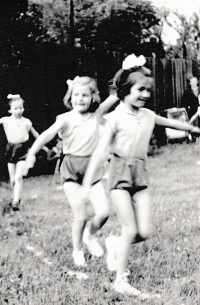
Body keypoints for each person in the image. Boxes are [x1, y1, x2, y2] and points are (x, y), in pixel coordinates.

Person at [81, 54, 200, 297]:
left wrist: (192, 127)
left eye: (148, 90)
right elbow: (100, 152)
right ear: (125, 90)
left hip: (141, 174)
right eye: (140, 89)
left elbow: (171, 123)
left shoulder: (147, 115)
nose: (146, 94)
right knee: (128, 228)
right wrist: (86, 183)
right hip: (119, 176)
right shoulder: (114, 118)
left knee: (143, 232)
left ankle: (115, 245)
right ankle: (120, 281)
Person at [23, 76, 119, 267]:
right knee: (81, 215)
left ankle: (89, 236)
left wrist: (128, 70)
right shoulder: (65, 118)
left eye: (85, 95)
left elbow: (116, 95)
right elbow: (47, 134)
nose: (80, 99)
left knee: (104, 212)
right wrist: (32, 153)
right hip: (71, 170)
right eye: (76, 95)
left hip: (92, 169)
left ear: (93, 97)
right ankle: (77, 251)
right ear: (70, 96)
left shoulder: (97, 113)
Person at [0, 94, 48, 211]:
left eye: (20, 108)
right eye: (15, 108)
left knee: (18, 177)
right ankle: (16, 196)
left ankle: (15, 201)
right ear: (10, 110)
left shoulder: (26, 122)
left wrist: (45, 146)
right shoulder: (6, 120)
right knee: (12, 179)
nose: (18, 110)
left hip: (23, 151)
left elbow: (36, 134)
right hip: (11, 150)